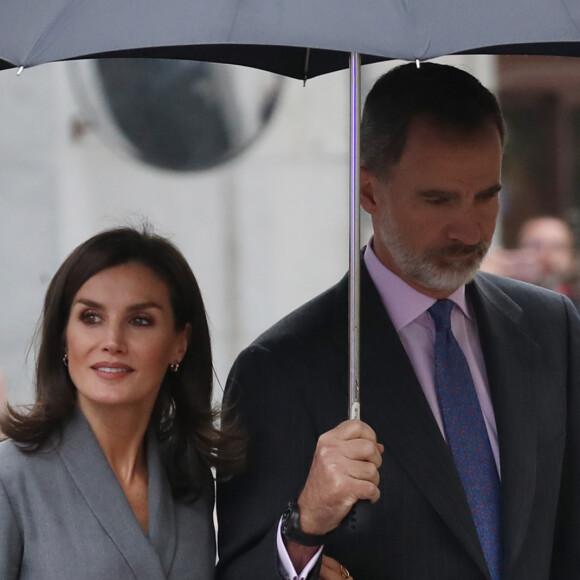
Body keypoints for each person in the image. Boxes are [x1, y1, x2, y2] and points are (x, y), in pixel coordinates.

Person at [215, 62, 580, 580]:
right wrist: (304, 526)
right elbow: (239, 569)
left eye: (487, 196)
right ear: (368, 193)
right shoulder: (280, 369)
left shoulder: (551, 328)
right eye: (438, 199)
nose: (469, 228)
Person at [0, 226, 243, 579]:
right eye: (91, 317)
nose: (112, 341)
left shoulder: (191, 479)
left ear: (180, 342)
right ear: (62, 338)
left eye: (139, 320)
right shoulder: (10, 480)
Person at [482, 215, 580, 306]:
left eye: (557, 247)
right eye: (535, 246)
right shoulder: (501, 299)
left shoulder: (575, 302)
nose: (546, 255)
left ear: (571, 256)